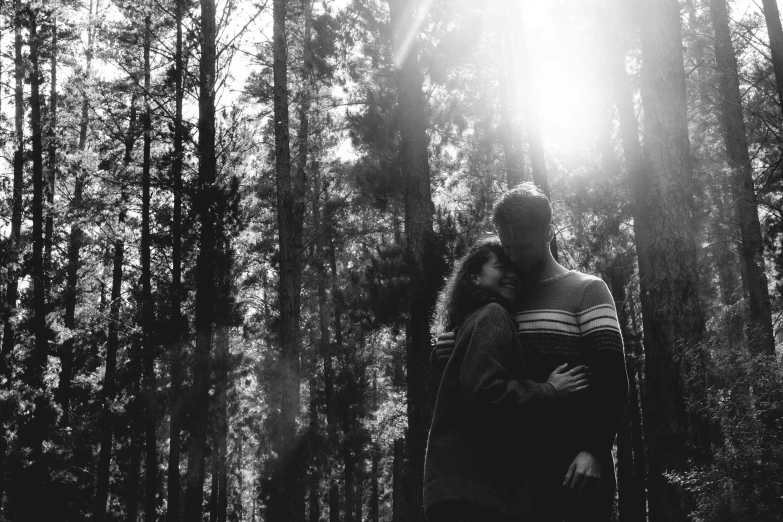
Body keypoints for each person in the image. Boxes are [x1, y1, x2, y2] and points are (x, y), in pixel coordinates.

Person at [432, 183, 629, 521]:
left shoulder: (588, 291)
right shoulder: (504, 301)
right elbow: (481, 382)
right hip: (518, 484)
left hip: (578, 474)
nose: (514, 256)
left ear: (548, 232)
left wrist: (594, 450)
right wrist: (447, 352)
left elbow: (613, 381)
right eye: (507, 246)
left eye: (522, 246)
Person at [423, 238, 591, 522]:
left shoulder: (471, 321)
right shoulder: (492, 315)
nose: (512, 274)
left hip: (455, 490)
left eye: (515, 271)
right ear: (474, 277)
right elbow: (487, 395)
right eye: (501, 268)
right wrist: (549, 390)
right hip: (475, 492)